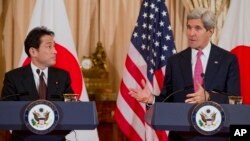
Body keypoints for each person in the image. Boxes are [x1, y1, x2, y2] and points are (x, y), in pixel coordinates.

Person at [129, 8, 240, 141]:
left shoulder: (227, 60)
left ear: (210, 31)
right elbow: (168, 100)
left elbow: (235, 100)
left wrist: (209, 96)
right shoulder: (175, 61)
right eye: (189, 27)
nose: (191, 33)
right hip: (181, 136)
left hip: (216, 135)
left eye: (197, 28)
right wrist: (151, 99)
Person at [1, 26, 73, 141]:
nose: (55, 51)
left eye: (54, 46)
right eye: (49, 46)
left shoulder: (63, 76)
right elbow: (6, 113)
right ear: (33, 51)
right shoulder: (13, 77)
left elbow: (72, 110)